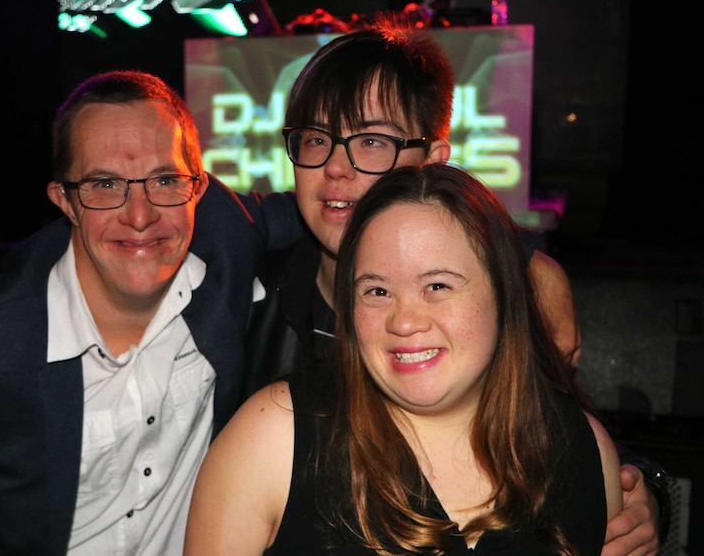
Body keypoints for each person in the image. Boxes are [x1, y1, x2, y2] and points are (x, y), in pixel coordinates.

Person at [242, 18, 666, 555]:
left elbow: (554, 430)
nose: (335, 169)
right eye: (315, 139)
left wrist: (639, 491)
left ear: (434, 163)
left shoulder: (498, 295)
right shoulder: (245, 293)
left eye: (371, 141)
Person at [0, 70, 305, 555]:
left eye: (164, 179)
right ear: (66, 201)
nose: (139, 216)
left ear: (199, 189)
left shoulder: (227, 237)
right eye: (104, 185)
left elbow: (332, 204)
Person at [185, 162, 623, 555]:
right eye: (377, 291)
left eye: (437, 286)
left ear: (504, 294)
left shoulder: (583, 450)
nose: (405, 321)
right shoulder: (273, 438)